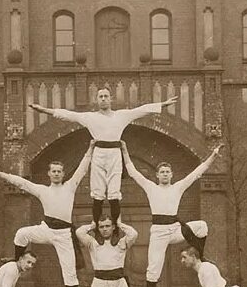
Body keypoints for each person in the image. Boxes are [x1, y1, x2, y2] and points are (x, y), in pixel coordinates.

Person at [29, 87, 178, 225]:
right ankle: (97, 227)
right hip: (98, 154)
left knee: (114, 193)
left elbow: (142, 110)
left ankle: (114, 227)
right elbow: (68, 115)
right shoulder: (90, 117)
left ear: (110, 99)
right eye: (100, 96)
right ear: (97, 100)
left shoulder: (121, 115)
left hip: (114, 154)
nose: (103, 99)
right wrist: (44, 110)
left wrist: (163, 104)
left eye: (106, 96)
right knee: (97, 193)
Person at [0, 142, 93, 287]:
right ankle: (18, 260)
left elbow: (82, 169)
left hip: (64, 235)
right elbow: (21, 183)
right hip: (46, 230)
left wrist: (90, 149)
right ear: (49, 174)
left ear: (63, 173)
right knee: (21, 234)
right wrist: (1, 174)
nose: (57, 174)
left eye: (59, 171)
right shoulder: (43, 190)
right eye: (54, 171)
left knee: (70, 273)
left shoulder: (70, 187)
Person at [121, 141, 222, 287]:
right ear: (157, 175)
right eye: (162, 172)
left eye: (168, 171)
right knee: (154, 268)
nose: (165, 174)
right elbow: (133, 171)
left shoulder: (178, 187)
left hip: (175, 229)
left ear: (172, 174)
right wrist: (124, 149)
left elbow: (196, 173)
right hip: (158, 233)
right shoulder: (151, 187)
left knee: (202, 226)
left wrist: (213, 155)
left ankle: (200, 256)